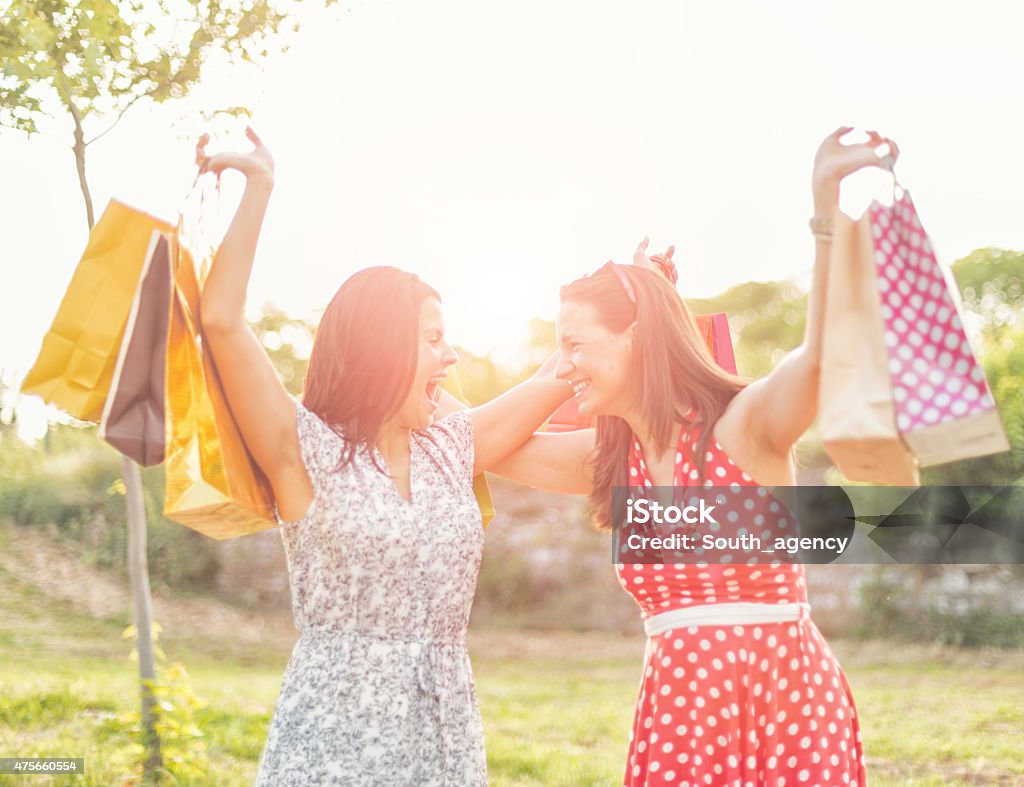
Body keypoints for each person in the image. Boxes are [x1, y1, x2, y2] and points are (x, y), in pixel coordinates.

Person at [492, 127, 898, 786]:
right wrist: (563, 363)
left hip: (785, 706)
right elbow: (486, 445)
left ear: (635, 337)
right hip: (683, 714)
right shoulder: (609, 458)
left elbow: (821, 356)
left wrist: (824, 209)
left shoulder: (743, 426)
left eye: (573, 343)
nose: (563, 365)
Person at [195, 127, 572, 786]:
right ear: (383, 348)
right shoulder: (304, 448)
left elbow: (558, 374)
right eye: (433, 339)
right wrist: (261, 187)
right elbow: (221, 321)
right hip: (336, 745)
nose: (451, 357)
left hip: (443, 737)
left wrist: (635, 302)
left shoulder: (450, 450)